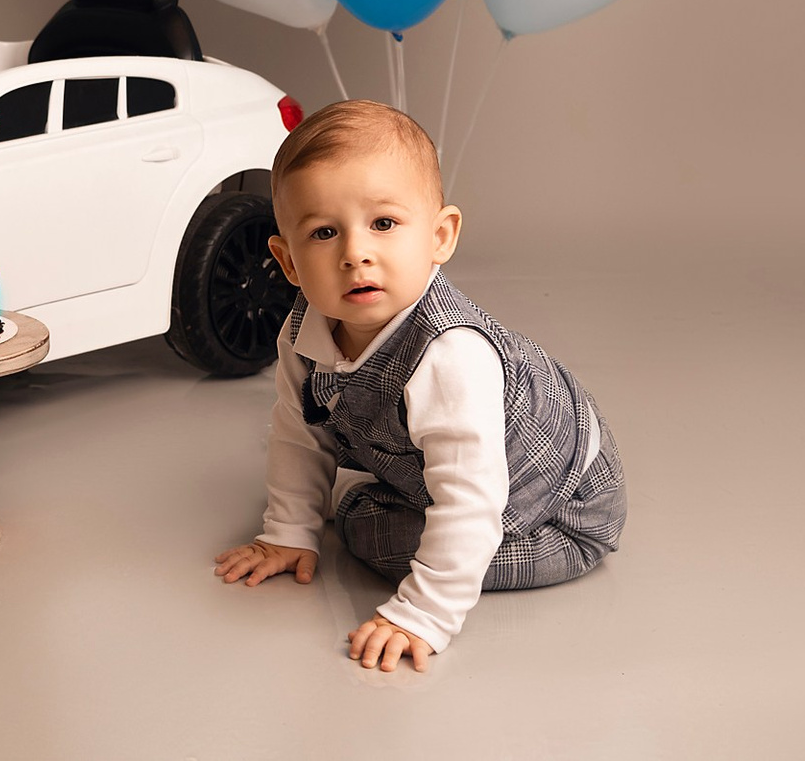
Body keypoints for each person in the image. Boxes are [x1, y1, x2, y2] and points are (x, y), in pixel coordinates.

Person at [213, 100, 626, 672]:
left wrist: (423, 614)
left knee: (371, 535)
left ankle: (386, 512)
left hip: (558, 510)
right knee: (347, 484)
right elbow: (299, 431)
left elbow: (471, 500)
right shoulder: (302, 332)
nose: (355, 254)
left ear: (439, 236)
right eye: (324, 232)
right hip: (462, 475)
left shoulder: (450, 355)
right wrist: (289, 529)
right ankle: (376, 492)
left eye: (383, 224)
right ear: (287, 263)